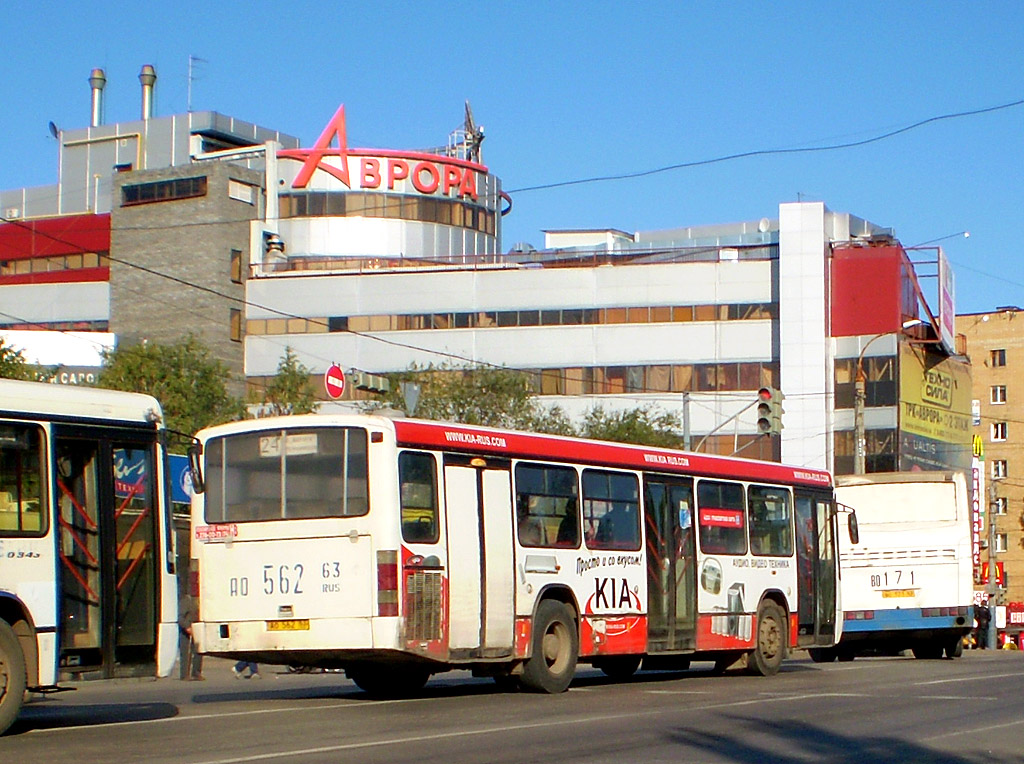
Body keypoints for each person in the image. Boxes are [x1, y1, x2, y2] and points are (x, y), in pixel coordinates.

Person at [178, 589, 204, 681]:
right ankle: (184, 674)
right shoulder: (186, 600)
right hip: (187, 629)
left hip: (197, 627)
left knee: (198, 651)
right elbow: (180, 617)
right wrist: (187, 627)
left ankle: (196, 673)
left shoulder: (201, 600)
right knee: (186, 653)